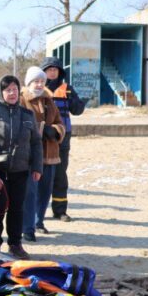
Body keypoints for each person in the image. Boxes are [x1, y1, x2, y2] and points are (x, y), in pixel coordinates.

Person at [0, 75, 41, 258]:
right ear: (0, 91)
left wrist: (37, 167)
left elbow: (36, 143)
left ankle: (15, 244)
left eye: (15, 89)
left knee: (17, 208)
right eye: (8, 90)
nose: (12, 93)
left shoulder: (28, 114)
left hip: (21, 170)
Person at [20, 66, 65, 243]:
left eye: (42, 81)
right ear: (29, 82)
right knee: (30, 192)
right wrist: (40, 129)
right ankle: (27, 228)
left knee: (45, 190)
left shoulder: (49, 100)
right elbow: (21, 124)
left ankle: (39, 221)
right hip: (30, 155)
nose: (39, 84)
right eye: (36, 81)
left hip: (50, 152)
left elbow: (59, 122)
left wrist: (55, 131)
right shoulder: (22, 99)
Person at [39, 57, 85, 222]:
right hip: (42, 138)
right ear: (43, 72)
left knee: (60, 174)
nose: (52, 72)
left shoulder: (67, 89)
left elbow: (78, 110)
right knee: (40, 174)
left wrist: (79, 101)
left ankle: (60, 210)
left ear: (59, 72)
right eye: (49, 69)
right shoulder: (38, 88)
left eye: (55, 69)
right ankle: (38, 211)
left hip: (62, 138)